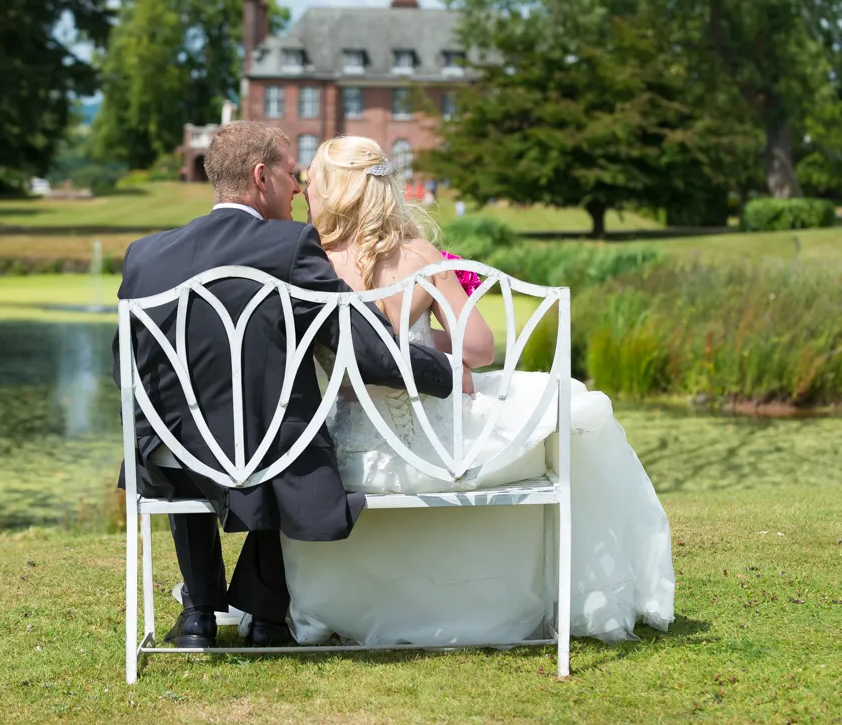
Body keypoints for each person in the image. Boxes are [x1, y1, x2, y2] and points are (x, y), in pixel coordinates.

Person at [281, 135, 675, 645]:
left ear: (334, 192)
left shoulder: (314, 263)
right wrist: (421, 343)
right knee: (566, 408)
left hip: (354, 452)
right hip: (436, 442)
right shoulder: (421, 255)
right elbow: (480, 349)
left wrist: (396, 346)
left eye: (313, 182)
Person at [112, 123, 456, 649]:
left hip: (171, 454)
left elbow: (126, 370)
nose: (298, 187)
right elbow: (364, 350)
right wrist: (444, 374)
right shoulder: (289, 245)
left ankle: (200, 616)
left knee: (200, 437)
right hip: (269, 454)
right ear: (260, 176)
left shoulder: (146, 254)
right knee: (281, 433)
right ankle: (268, 614)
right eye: (289, 174)